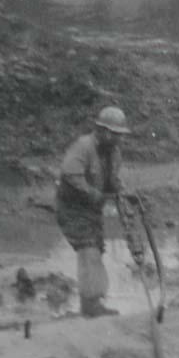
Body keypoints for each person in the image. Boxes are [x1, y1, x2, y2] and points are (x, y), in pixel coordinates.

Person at [55, 106, 131, 317]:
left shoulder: (114, 153)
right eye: (114, 134)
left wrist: (119, 190)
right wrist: (90, 192)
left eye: (120, 135)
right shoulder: (83, 147)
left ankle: (92, 301)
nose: (118, 139)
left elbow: (112, 180)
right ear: (101, 130)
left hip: (92, 212)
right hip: (72, 209)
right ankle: (90, 306)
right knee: (89, 252)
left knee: (95, 251)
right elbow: (70, 174)